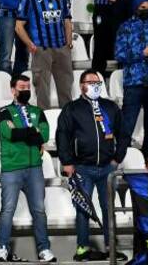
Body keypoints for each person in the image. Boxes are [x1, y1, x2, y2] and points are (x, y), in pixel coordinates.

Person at [56, 70, 126, 261]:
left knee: (108, 207)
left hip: (107, 168)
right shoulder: (72, 108)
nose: (95, 86)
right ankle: (82, 248)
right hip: (82, 168)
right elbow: (63, 136)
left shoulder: (110, 107)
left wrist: (117, 158)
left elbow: (123, 133)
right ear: (81, 85)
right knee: (83, 208)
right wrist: (67, 162)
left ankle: (110, 246)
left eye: (98, 83)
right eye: (91, 82)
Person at [0, 74, 55, 261]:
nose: (25, 90)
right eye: (21, 87)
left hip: (35, 167)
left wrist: (27, 134)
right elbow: (8, 133)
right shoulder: (4, 112)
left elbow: (44, 135)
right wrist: (31, 132)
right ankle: (2, 248)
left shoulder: (38, 111)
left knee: (39, 210)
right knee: (7, 210)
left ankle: (44, 249)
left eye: (28, 87)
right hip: (12, 168)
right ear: (13, 90)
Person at [114, 0, 148, 152]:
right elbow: (120, 54)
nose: (146, 10)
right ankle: (122, 158)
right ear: (136, 7)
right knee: (127, 125)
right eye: (142, 7)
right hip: (134, 83)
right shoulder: (126, 27)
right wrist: (142, 52)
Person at [16, 0, 73, 110]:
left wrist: (69, 42)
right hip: (42, 49)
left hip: (61, 48)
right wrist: (30, 44)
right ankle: (44, 123)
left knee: (66, 89)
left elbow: (67, 20)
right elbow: (18, 26)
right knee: (42, 90)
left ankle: (68, 121)